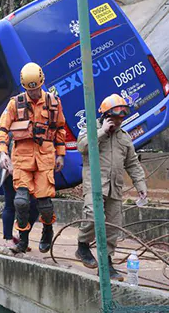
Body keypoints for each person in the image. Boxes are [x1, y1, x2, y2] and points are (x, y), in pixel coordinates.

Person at [75, 94, 147, 281]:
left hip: (115, 188)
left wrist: (141, 185)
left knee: (113, 227)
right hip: (95, 185)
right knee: (92, 215)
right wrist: (102, 132)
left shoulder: (124, 137)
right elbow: (82, 147)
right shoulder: (91, 129)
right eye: (116, 115)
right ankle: (82, 245)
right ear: (106, 115)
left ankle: (106, 264)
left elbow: (132, 163)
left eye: (122, 116)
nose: (119, 119)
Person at [0, 62, 67, 253]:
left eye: (36, 89)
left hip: (45, 157)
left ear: (41, 83)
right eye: (30, 90)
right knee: (20, 202)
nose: (34, 93)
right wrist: (3, 152)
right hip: (21, 158)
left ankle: (47, 229)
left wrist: (60, 155)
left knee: (44, 203)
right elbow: (2, 129)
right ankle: (23, 239)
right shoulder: (15, 103)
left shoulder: (54, 102)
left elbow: (60, 129)